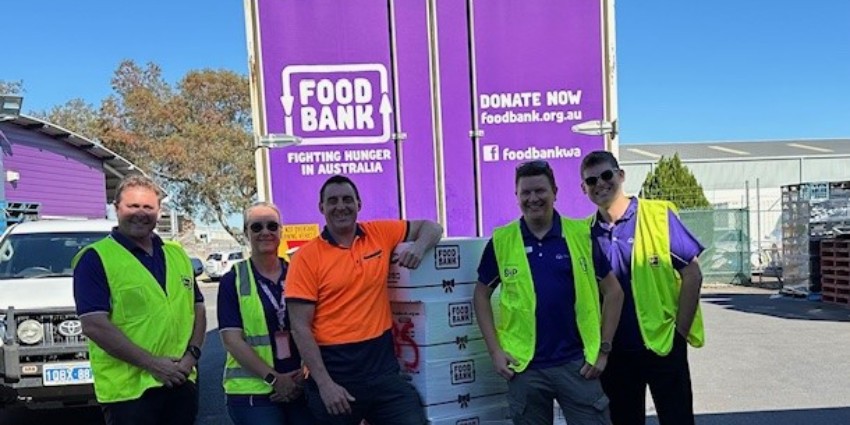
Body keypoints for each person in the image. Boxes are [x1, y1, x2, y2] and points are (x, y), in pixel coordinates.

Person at [474, 159, 624, 425]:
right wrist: (495, 351)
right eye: (526, 193)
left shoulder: (580, 235)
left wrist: (603, 351)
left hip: (578, 364)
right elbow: (481, 295)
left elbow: (614, 292)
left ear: (555, 192)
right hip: (525, 369)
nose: (533, 198)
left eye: (540, 190)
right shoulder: (502, 240)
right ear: (517, 197)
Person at [285, 174, 443, 425]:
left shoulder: (379, 233)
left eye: (348, 199)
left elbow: (432, 227)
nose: (341, 206)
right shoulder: (306, 257)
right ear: (321, 208)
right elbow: (300, 327)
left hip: (382, 371)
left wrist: (419, 247)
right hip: (335, 373)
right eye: (333, 201)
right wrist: (325, 385)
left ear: (359, 204)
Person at [580, 150, 705, 425]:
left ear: (621, 176)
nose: (600, 183)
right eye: (591, 180)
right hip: (616, 353)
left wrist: (679, 334)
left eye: (606, 175)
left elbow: (692, 273)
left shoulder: (657, 216)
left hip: (663, 345)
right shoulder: (585, 234)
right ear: (583, 188)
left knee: (677, 420)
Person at [72, 174, 206, 425]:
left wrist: (191, 357)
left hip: (180, 381)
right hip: (129, 394)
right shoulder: (94, 259)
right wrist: (154, 365)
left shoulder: (176, 254)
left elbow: (197, 308)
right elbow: (94, 325)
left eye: (148, 207)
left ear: (159, 211)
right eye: (133, 206)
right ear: (116, 209)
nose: (140, 213)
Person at [217, 202, 313, 424]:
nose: (265, 232)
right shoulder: (233, 280)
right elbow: (232, 341)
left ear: (281, 231)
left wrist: (303, 374)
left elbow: (317, 327)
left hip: (300, 385)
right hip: (253, 391)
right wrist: (275, 379)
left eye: (272, 226)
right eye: (256, 227)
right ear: (246, 233)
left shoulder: (299, 273)